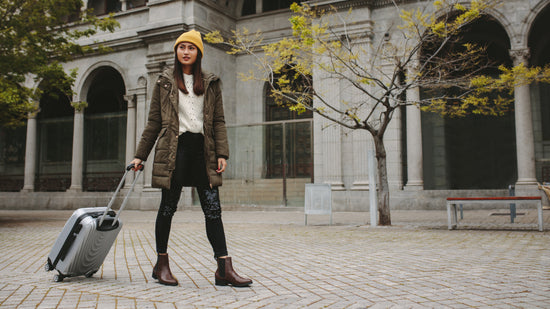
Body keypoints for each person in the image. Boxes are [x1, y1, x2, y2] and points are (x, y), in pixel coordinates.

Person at [129, 29, 252, 287]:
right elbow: (153, 123)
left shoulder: (210, 82)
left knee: (213, 209)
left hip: (203, 151)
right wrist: (140, 156)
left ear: (198, 53)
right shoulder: (163, 82)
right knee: (167, 208)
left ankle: (224, 268)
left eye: (191, 48)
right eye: (181, 47)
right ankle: (161, 264)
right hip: (174, 151)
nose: (185, 51)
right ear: (176, 51)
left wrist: (222, 153)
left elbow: (218, 120)